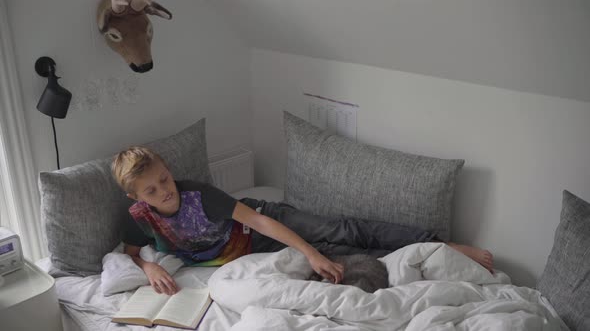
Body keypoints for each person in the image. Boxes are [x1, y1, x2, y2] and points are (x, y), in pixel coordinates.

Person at [112, 146, 493, 295]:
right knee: (338, 252)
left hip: (261, 222)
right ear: (136, 198)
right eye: (151, 190)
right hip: (251, 251)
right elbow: (131, 252)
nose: (164, 191)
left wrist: (309, 253)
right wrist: (147, 266)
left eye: (164, 178)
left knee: (340, 230)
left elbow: (260, 223)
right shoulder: (139, 218)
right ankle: (423, 257)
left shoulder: (199, 196)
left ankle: (440, 244)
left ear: (168, 169)